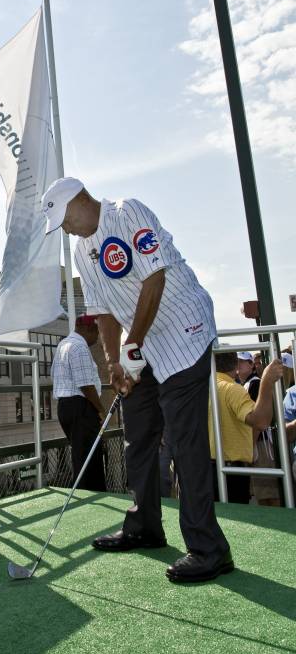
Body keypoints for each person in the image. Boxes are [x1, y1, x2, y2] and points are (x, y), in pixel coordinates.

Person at [41, 176, 233, 584]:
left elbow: (155, 279)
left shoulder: (128, 212)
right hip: (140, 345)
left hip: (184, 329)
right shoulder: (81, 252)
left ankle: (208, 548)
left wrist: (134, 345)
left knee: (184, 441)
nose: (67, 228)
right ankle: (144, 524)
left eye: (65, 219)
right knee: (139, 434)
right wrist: (114, 362)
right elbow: (103, 312)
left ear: (79, 201)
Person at [209, 351, 284, 503]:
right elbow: (261, 421)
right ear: (235, 364)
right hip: (230, 472)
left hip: (205, 469)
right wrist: (267, 381)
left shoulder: (201, 387)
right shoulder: (231, 389)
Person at [51, 314, 107, 491]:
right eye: (96, 332)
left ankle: (86, 495)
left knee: (81, 455)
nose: (97, 337)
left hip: (66, 406)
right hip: (80, 408)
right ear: (89, 329)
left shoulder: (63, 345)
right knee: (89, 459)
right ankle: (90, 497)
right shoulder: (79, 347)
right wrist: (100, 409)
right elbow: (85, 384)